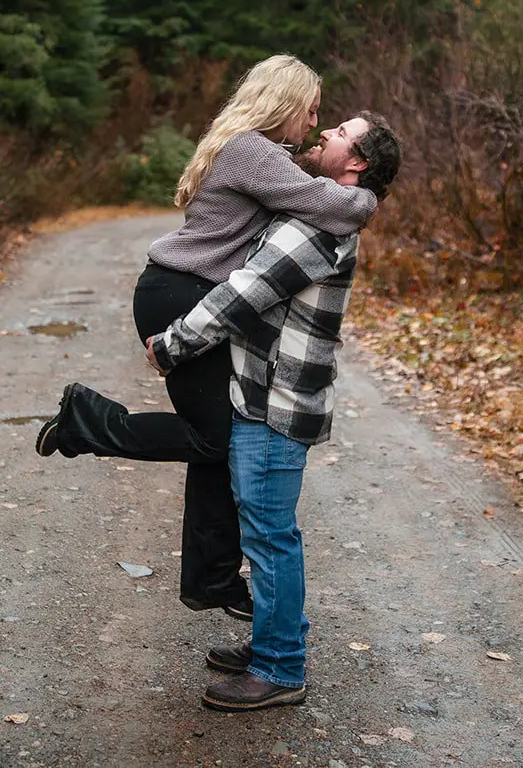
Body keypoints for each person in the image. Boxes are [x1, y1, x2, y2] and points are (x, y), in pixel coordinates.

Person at [34, 56, 377, 620]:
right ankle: (84, 422)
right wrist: (368, 198)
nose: (315, 123)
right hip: (181, 293)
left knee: (221, 437)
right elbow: (330, 205)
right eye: (312, 110)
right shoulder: (253, 151)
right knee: (217, 439)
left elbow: (308, 190)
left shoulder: (258, 150)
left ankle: (210, 579)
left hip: (184, 290)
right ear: (285, 102)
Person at [148, 113, 402, 712]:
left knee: (269, 537)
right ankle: (272, 642)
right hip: (270, 396)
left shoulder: (320, 227)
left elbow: (244, 293)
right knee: (264, 531)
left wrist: (173, 343)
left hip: (275, 404)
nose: (324, 134)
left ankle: (281, 668)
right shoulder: (324, 210)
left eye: (339, 133)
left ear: (357, 162)